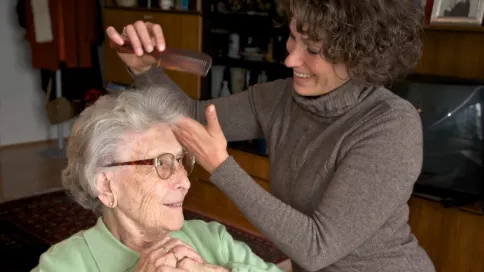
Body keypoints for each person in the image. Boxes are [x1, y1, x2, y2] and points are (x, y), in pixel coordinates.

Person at [106, 0, 436, 271]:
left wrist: (221, 166)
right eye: (294, 37)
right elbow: (192, 117)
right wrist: (144, 68)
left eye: (314, 50)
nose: (291, 58)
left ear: (360, 53)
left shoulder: (391, 126)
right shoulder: (280, 99)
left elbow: (316, 247)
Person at [31, 87, 283, 272]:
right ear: (107, 186)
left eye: (180, 160)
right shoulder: (64, 265)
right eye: (160, 163)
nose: (185, 182)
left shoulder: (211, 239)